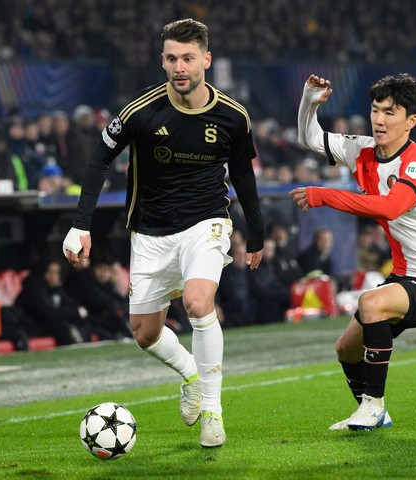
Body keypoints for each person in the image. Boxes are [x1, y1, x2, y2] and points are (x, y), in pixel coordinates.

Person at [61, 18, 264, 448]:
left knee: (198, 303)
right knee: (145, 333)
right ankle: (191, 374)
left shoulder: (233, 116)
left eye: (188, 58)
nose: (179, 67)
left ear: (206, 60)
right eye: (171, 58)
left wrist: (256, 232)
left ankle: (213, 411)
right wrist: (81, 223)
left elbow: (243, 176)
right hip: (151, 231)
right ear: (162, 61)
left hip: (206, 223)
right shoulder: (139, 112)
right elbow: (99, 160)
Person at [291, 73, 416, 431]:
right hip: (405, 275)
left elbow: (391, 207)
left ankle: (374, 406)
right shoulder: (361, 150)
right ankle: (373, 413)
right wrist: (310, 99)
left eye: (390, 113)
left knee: (370, 302)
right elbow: (309, 138)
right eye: (376, 110)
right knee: (346, 349)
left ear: (411, 121)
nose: (379, 119)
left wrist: (325, 195)